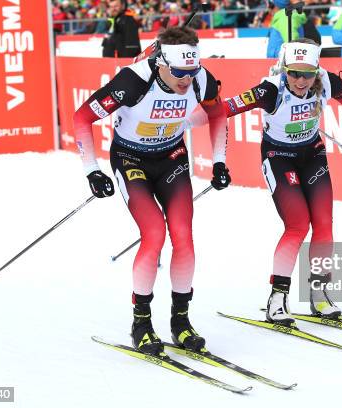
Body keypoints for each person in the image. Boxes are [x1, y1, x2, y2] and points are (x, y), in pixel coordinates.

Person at [73, 26, 231, 354]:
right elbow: (81, 117)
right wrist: (92, 170)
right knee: (155, 234)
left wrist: (219, 162)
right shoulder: (133, 81)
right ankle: (141, 322)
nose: (187, 79)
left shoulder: (202, 78)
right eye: (179, 72)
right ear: (160, 62)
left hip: (172, 158)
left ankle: (180, 321)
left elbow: (219, 113)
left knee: (184, 238)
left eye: (192, 70)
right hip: (131, 159)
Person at [190, 39, 342, 324]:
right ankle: (277, 297)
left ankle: (319, 294)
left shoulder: (326, 81)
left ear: (316, 70)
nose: (300, 80)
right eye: (294, 73)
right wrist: (182, 121)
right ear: (284, 69)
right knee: (298, 225)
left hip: (312, 154)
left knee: (323, 224)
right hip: (278, 156)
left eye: (307, 73)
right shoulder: (271, 90)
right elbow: (223, 109)